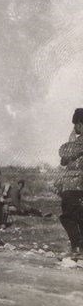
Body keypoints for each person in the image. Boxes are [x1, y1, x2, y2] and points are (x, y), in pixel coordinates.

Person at [55, 108, 83, 257]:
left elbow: (63, 153)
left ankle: (77, 247)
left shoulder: (78, 142)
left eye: (76, 125)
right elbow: (64, 161)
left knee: (68, 216)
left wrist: (71, 140)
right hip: (77, 186)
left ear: (79, 124)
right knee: (79, 216)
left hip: (74, 186)